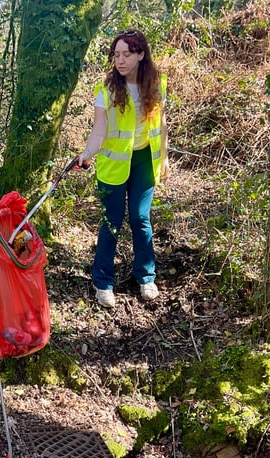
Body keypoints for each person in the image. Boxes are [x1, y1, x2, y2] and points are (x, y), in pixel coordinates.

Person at [78, 29, 169, 308]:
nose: (120, 60)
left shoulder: (157, 84)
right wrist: (85, 154)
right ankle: (103, 282)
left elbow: (162, 125)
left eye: (126, 54)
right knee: (111, 222)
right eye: (116, 54)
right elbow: (98, 132)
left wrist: (164, 157)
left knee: (141, 219)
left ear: (141, 55)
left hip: (144, 161)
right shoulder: (106, 92)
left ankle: (146, 277)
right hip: (113, 166)